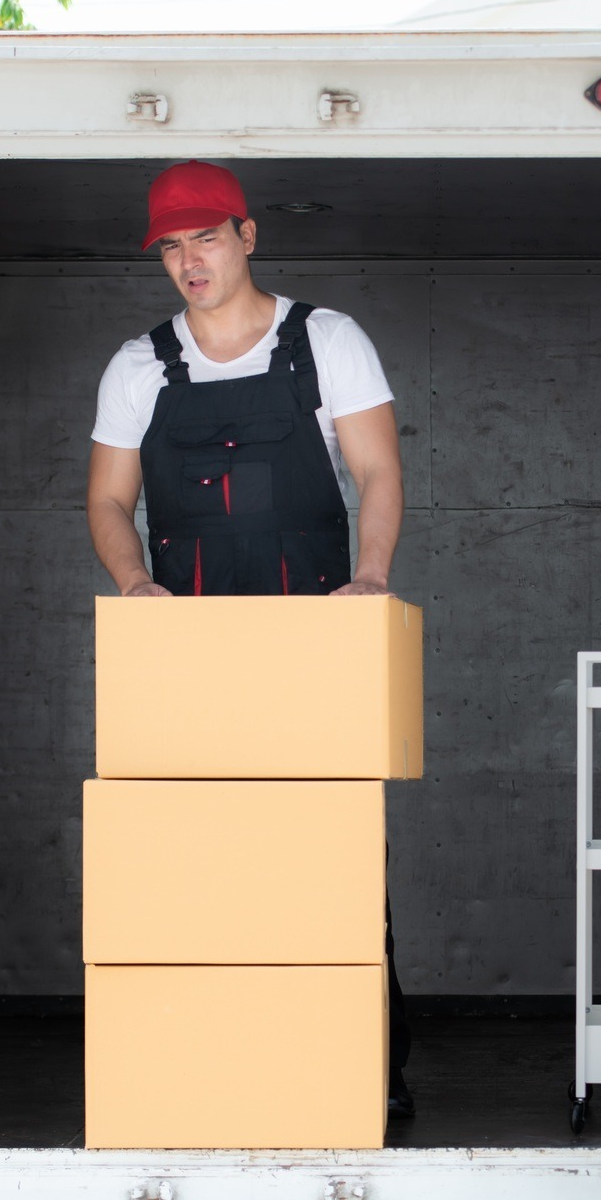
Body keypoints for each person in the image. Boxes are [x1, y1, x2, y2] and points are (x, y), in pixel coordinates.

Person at [86, 159, 413, 1116]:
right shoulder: (138, 365)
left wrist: (371, 578)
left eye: (205, 238)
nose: (189, 261)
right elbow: (108, 499)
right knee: (192, 859)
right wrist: (134, 581)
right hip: (185, 657)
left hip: (311, 651)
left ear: (247, 235)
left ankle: (363, 1072)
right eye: (171, 247)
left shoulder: (328, 341)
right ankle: (206, 1072)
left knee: (332, 861)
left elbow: (378, 473)